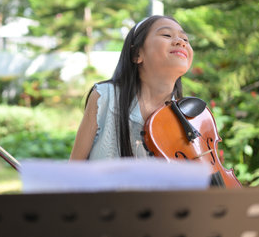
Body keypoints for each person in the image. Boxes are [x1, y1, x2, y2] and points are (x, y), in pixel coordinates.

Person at [70, 15, 193, 160]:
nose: (181, 42)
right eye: (167, 35)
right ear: (137, 54)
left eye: (185, 39)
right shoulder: (105, 97)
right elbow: (75, 168)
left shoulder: (188, 115)